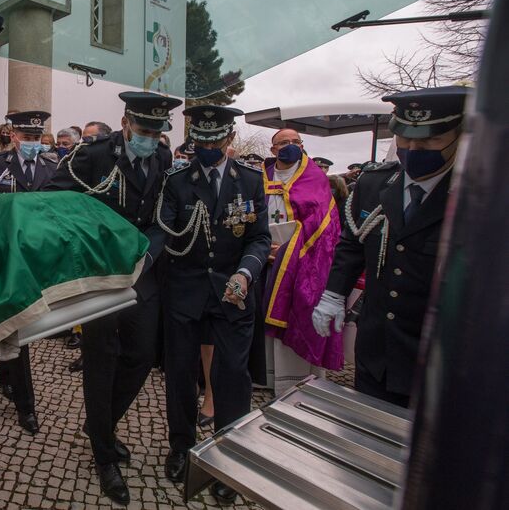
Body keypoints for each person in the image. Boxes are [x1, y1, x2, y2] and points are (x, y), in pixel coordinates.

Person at [47, 91, 180, 505]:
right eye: (143, 129)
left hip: (141, 272)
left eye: (157, 131)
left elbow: (163, 215)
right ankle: (104, 453)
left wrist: (148, 254)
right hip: (100, 274)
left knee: (141, 355)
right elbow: (54, 199)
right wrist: (88, 243)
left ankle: (99, 424)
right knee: (100, 360)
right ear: (125, 123)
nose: (150, 138)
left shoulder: (163, 157)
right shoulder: (92, 155)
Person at [312, 87, 467, 408]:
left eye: (429, 141)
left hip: (441, 358)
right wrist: (334, 294)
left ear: (458, 135)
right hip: (377, 347)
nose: (413, 149)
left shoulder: (477, 196)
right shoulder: (375, 184)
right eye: (405, 140)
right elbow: (353, 244)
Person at [155, 105, 270, 504]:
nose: (207, 147)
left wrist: (246, 273)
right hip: (185, 291)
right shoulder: (177, 181)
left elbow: (259, 238)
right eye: (200, 140)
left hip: (232, 292)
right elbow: (166, 230)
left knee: (233, 376)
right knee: (180, 373)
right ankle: (181, 446)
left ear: (229, 139)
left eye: (214, 140)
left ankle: (229, 457)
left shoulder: (250, 180)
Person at [0, 110, 58, 435]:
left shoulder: (51, 167)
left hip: (36, 258)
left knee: (23, 326)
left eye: (37, 137)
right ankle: (27, 407)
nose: (33, 143)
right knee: (19, 328)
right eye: (27, 137)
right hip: (5, 259)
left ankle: (3, 375)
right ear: (13, 136)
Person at [262, 129, 342, 397]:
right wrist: (262, 246)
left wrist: (287, 250)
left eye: (296, 142)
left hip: (300, 260)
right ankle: (264, 374)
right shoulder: (261, 176)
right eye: (284, 142)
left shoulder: (314, 177)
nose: (291, 146)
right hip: (263, 258)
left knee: (295, 309)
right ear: (273, 149)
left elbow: (323, 225)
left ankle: (294, 379)